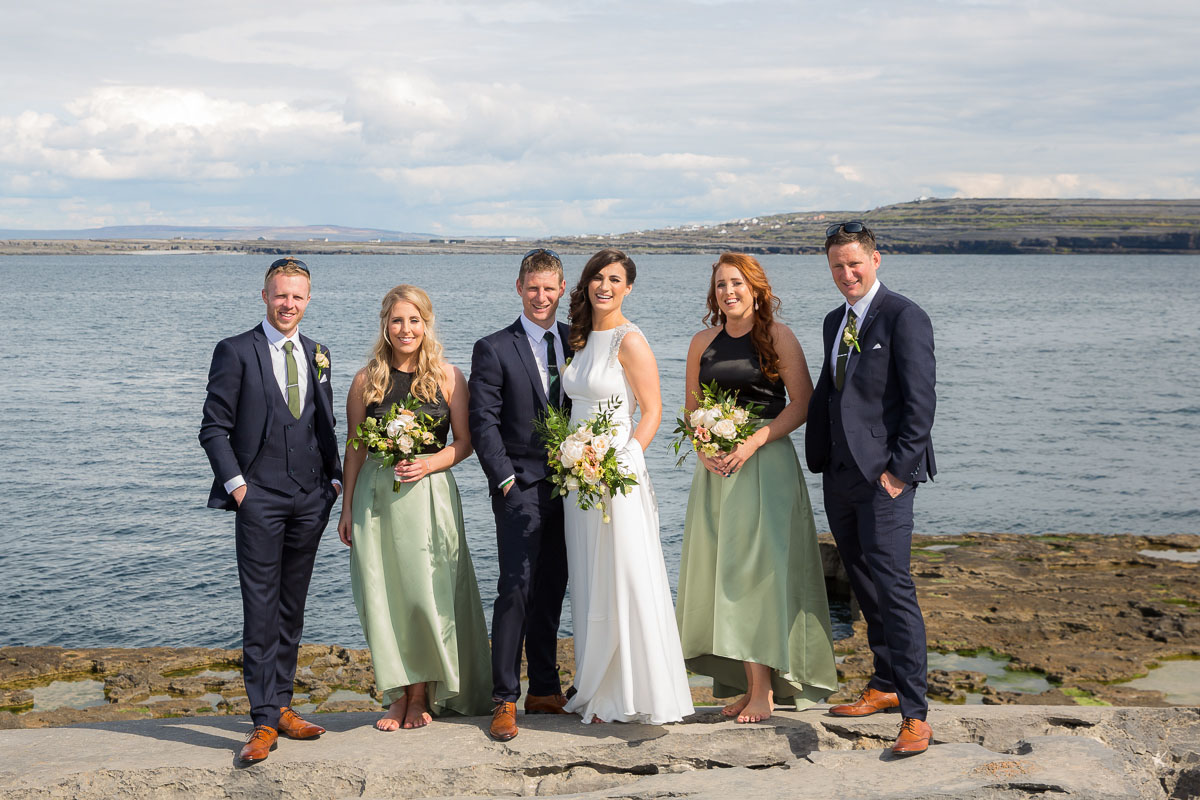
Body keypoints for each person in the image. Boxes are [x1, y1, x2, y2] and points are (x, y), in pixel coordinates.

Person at [675, 253, 838, 724]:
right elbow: (691, 408)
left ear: (757, 289)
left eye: (738, 284)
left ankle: (764, 691)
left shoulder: (778, 337)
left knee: (760, 576)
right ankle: (748, 687)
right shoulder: (701, 342)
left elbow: (803, 404)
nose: (729, 292)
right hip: (717, 474)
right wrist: (703, 447)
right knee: (724, 575)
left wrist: (751, 443)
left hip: (766, 467)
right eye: (721, 285)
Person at [199, 257, 342, 764]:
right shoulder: (236, 351)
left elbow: (323, 423)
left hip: (311, 499)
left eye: (297, 296)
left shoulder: (319, 352)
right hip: (258, 498)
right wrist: (239, 489)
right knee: (260, 608)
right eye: (280, 295)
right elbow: (213, 427)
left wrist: (334, 479)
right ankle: (262, 721)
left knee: (291, 608)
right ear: (265, 296)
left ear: (308, 299)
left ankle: (281, 705)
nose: (288, 304)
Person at [805, 222, 937, 757]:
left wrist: (898, 472)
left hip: (885, 480)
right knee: (863, 582)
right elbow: (835, 392)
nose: (847, 274)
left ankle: (915, 713)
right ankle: (883, 684)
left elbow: (920, 401)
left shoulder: (905, 316)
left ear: (876, 260)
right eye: (837, 266)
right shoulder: (835, 320)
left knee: (894, 587)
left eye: (855, 263)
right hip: (840, 477)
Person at [336, 285, 492, 731]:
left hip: (428, 498)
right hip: (376, 500)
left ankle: (421, 693)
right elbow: (354, 449)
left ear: (427, 324)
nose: (406, 329)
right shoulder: (365, 380)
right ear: (385, 325)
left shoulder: (448, 377)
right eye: (397, 320)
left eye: (414, 320)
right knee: (383, 594)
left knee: (427, 593)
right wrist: (346, 508)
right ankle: (398, 692)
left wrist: (427, 463)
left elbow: (464, 444)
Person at [560, 248, 694, 724]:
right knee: (591, 578)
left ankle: (630, 693)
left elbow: (652, 411)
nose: (604, 286)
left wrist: (620, 461)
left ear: (629, 287)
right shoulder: (580, 337)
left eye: (614, 279)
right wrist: (577, 458)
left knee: (623, 574)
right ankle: (597, 688)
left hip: (615, 475)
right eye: (597, 277)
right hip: (579, 479)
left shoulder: (629, 340)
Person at [468, 249, 573, 741]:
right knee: (515, 588)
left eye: (549, 288)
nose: (541, 297)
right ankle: (505, 698)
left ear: (562, 289)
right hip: (520, 486)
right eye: (533, 287)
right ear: (518, 287)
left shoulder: (578, 340)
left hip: (573, 487)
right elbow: (483, 421)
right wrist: (504, 479)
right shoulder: (493, 347)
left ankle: (546, 690)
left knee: (553, 587)